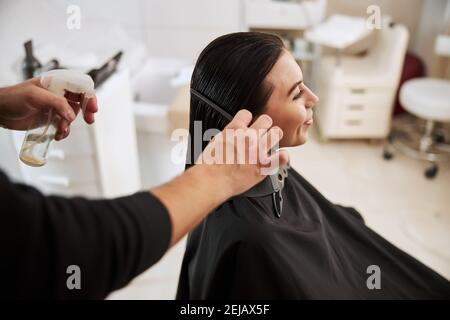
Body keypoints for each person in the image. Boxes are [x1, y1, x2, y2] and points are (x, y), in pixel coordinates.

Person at [176, 32, 450, 299]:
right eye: (296, 95)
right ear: (247, 123)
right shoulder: (254, 241)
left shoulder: (257, 165)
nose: (313, 98)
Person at [0, 77, 288, 299]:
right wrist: (216, 177)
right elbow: (57, 250)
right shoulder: (246, 235)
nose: (313, 99)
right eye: (297, 93)